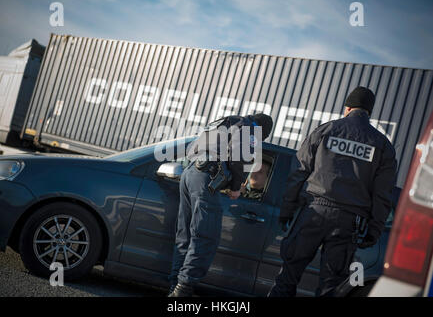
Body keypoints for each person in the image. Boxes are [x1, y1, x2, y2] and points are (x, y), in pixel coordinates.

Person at [268, 86, 397, 297]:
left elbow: (299, 172)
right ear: (369, 112)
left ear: (347, 108)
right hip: (349, 223)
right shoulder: (382, 145)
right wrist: (374, 229)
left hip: (312, 213)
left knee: (288, 277)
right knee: (330, 287)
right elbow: (383, 193)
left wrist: (287, 209)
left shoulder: (325, 130)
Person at [168, 113, 274, 297]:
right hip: (206, 179)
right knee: (205, 238)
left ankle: (174, 288)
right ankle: (182, 291)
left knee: (185, 237)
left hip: (190, 173)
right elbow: (239, 159)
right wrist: (235, 188)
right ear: (262, 130)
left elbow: (193, 148)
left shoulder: (228, 121)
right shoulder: (251, 129)